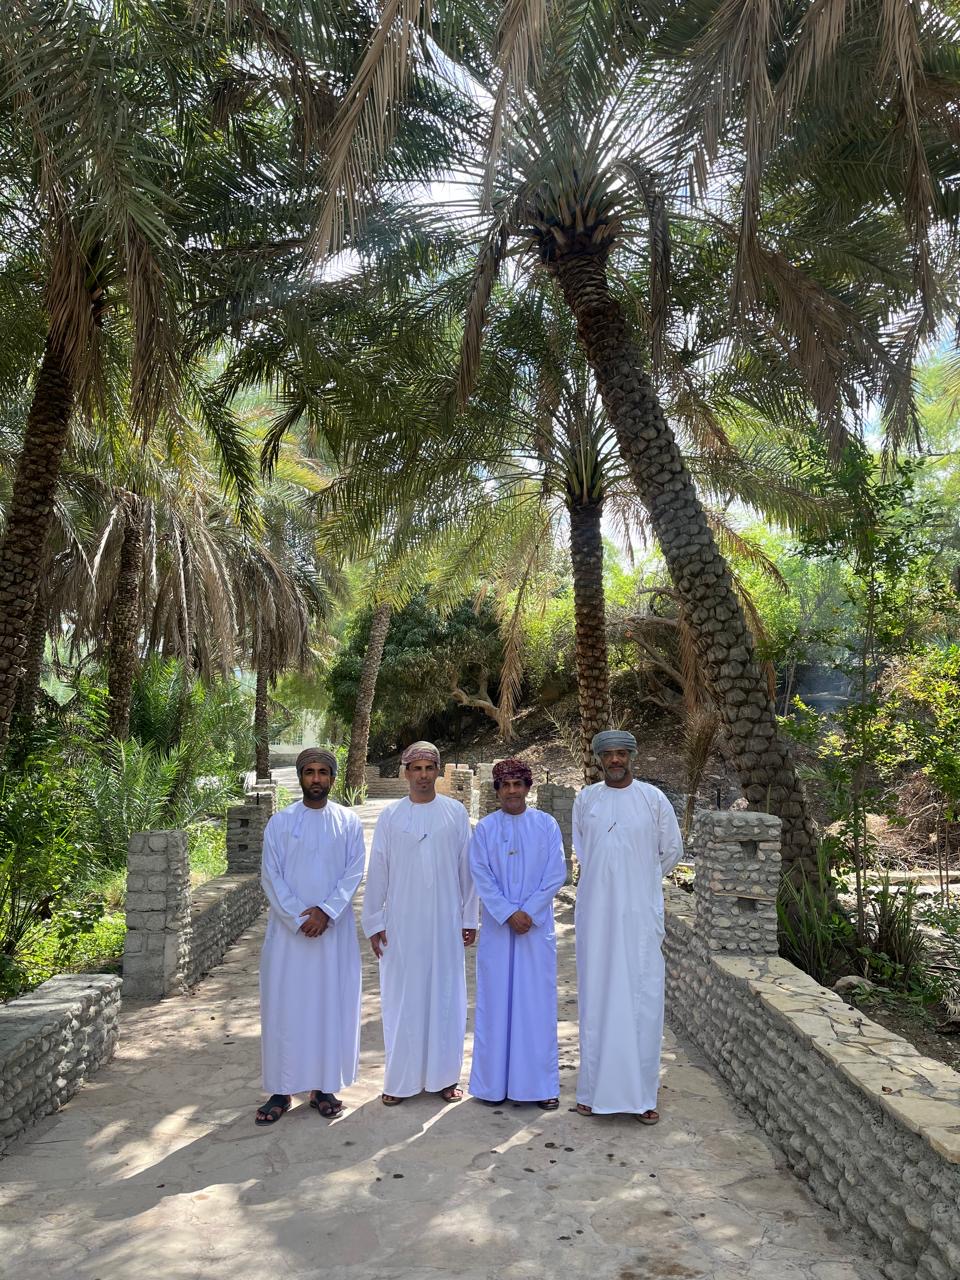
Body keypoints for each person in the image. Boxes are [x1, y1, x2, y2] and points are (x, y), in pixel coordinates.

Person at [572, 729, 684, 1124]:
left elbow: (672, 851)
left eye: (622, 753)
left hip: (639, 918)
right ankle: (591, 1092)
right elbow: (584, 850)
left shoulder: (653, 799)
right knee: (597, 997)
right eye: (609, 755)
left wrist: (639, 881)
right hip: (596, 916)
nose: (615, 760)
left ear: (631, 756)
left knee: (643, 1001)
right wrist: (611, 881)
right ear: (600, 759)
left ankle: (642, 1096)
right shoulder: (587, 800)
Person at [362, 741, 479, 1105]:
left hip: (445, 922)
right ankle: (400, 1081)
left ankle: (445, 1078)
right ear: (406, 773)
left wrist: (469, 917)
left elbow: (467, 870)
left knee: (445, 998)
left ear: (438, 772)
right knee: (402, 998)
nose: (423, 775)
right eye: (417, 768)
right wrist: (374, 921)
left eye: (430, 768)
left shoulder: (455, 813)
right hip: (402, 923)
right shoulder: (391, 816)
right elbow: (378, 870)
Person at [255, 747, 365, 1126]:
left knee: (328, 1008)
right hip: (289, 939)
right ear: (300, 777)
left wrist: (326, 912)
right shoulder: (280, 823)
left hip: (332, 936)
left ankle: (323, 1087)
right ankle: (281, 1090)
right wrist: (299, 917)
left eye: (322, 772)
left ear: (333, 778)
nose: (316, 778)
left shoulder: (348, 822)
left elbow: (353, 873)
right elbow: (271, 876)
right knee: (285, 1010)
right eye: (309, 772)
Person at [468, 757, 566, 1110]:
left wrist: (529, 911)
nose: (512, 791)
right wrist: (509, 913)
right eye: (505, 785)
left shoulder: (546, 825)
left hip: (535, 931)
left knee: (535, 1004)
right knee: (496, 1004)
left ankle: (539, 1087)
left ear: (527, 788)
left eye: (517, 784)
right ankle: (492, 1086)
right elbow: (480, 874)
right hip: (499, 929)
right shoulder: (485, 829)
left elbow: (556, 873)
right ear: (497, 790)